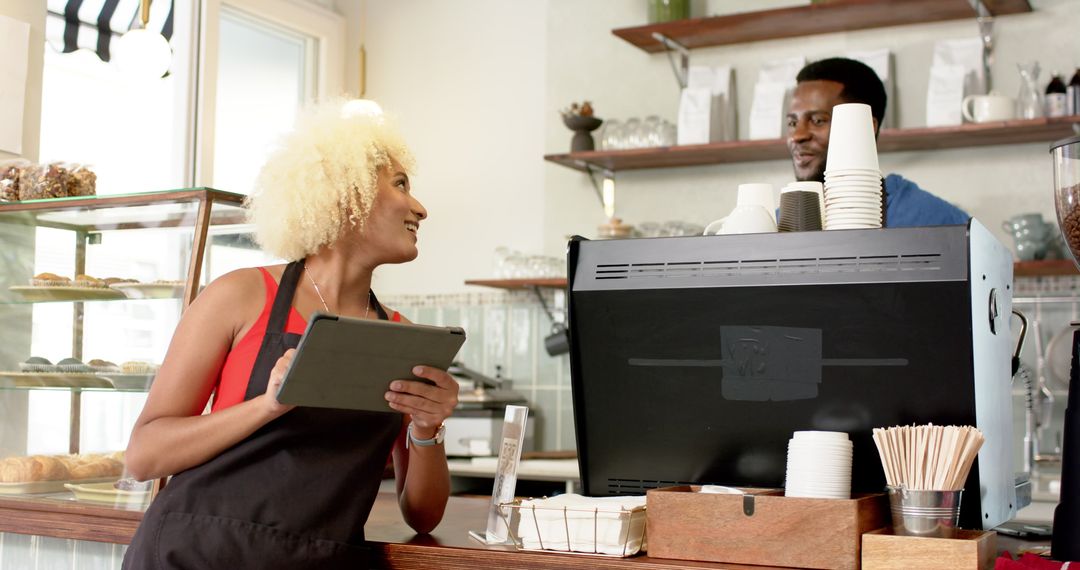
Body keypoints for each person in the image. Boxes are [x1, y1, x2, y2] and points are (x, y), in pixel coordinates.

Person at [122, 99, 457, 569]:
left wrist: (427, 428)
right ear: (347, 194)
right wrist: (269, 404)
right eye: (401, 185)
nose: (419, 208)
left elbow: (422, 515)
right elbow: (144, 455)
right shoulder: (239, 296)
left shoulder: (398, 336)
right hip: (197, 555)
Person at [786, 57, 970, 227]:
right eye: (793, 123)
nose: (797, 135)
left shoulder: (934, 220)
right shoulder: (781, 223)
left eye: (818, 120)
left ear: (866, 126)